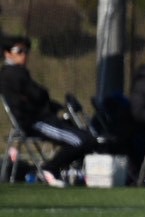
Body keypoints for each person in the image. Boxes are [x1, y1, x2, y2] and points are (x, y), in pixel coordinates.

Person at [0, 36, 106, 185]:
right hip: (35, 122)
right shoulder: (10, 75)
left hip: (46, 118)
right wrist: (38, 99)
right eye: (19, 51)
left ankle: (67, 171)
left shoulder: (21, 73)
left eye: (26, 51)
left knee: (88, 138)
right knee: (80, 141)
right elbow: (34, 97)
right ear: (7, 53)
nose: (24, 55)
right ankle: (49, 169)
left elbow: (38, 95)